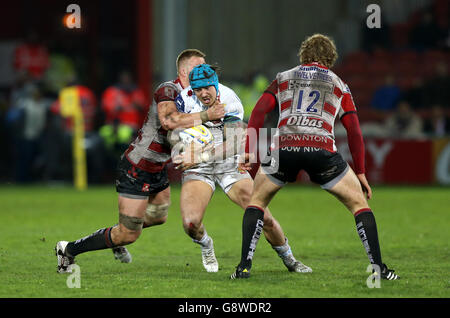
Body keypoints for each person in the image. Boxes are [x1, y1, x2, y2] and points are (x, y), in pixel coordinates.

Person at [230, 34, 399, 281]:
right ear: (330, 58)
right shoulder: (339, 83)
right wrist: (360, 171)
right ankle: (379, 269)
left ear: (304, 54)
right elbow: (353, 129)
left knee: (256, 202)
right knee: (359, 205)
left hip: (284, 149)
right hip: (321, 149)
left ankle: (244, 266)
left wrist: (248, 149)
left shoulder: (283, 77)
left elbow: (258, 112)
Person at [55, 49, 226, 272]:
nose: (204, 70)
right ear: (184, 71)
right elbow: (169, 121)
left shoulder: (194, 97)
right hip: (138, 166)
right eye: (198, 66)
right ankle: (68, 250)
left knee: (158, 217)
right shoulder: (168, 89)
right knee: (127, 234)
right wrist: (206, 117)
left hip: (157, 168)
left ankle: (116, 238)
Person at [172, 64, 311, 273]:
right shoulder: (184, 99)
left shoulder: (229, 99)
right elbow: (172, 127)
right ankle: (206, 244)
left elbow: (235, 144)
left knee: (264, 217)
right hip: (199, 167)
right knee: (190, 224)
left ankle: (290, 259)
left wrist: (200, 154)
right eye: (198, 89)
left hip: (228, 163)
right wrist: (183, 146)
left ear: (215, 84)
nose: (203, 93)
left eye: (207, 88)